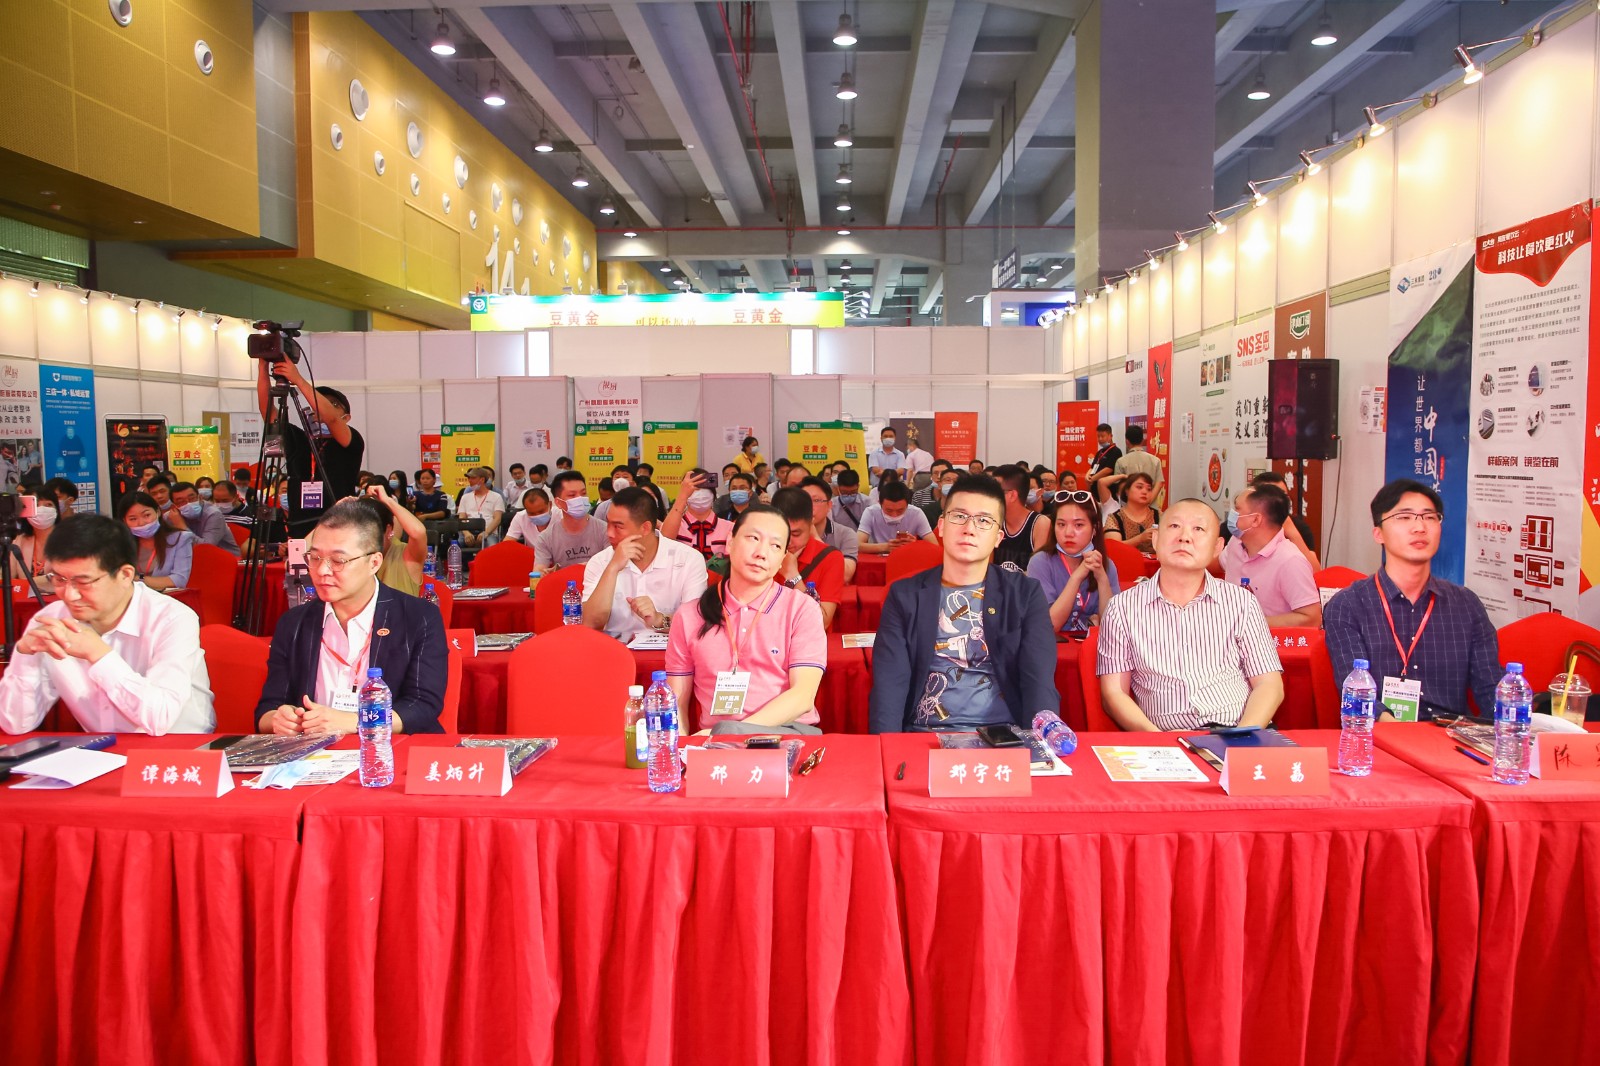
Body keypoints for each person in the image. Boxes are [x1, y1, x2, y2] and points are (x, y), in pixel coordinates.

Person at [869, 474, 1059, 732]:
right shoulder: (905, 595)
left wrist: (1040, 743)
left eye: (983, 520)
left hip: (1004, 736)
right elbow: (889, 684)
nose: (969, 528)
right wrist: (888, 748)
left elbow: (1039, 682)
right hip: (923, 736)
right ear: (941, 526)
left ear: (998, 537)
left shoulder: (1024, 594)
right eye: (959, 516)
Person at [0, 514, 215, 734]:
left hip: (180, 746)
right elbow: (14, 724)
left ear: (125, 575)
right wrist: (25, 658)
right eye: (59, 579)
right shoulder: (51, 620)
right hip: (100, 749)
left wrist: (99, 654)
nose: (70, 595)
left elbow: (160, 718)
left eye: (83, 582)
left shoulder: (172, 618)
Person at [256, 500, 446, 735]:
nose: (322, 571)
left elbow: (422, 706)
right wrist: (279, 719)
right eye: (314, 558)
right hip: (316, 752)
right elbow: (268, 708)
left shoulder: (418, 616)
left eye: (338, 561)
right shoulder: (294, 623)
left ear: (374, 562)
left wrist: (356, 722)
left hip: (390, 749)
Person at [1097, 498, 1284, 731]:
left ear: (1217, 547)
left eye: (1198, 529)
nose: (1185, 537)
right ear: (1155, 540)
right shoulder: (1122, 608)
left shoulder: (1241, 602)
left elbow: (1269, 684)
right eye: (1174, 526)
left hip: (1238, 730)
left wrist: (1243, 735)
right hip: (1163, 737)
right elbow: (1114, 694)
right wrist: (1158, 741)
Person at [1323, 479, 1499, 721]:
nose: (1419, 527)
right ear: (1378, 534)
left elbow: (1490, 687)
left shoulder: (1466, 605)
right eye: (1404, 517)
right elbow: (1355, 692)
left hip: (1449, 736)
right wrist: (1396, 730)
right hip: (1382, 735)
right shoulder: (1348, 605)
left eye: (1429, 517)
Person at [665, 505, 826, 735]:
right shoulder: (690, 615)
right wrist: (681, 748)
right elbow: (677, 702)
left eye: (775, 546)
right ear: (730, 542)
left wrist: (731, 732)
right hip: (716, 746)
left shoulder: (802, 609)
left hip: (785, 736)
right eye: (753, 538)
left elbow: (803, 697)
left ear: (782, 559)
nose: (762, 553)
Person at [582, 487, 708, 642]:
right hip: (615, 651)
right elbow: (590, 624)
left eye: (618, 527)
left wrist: (659, 619)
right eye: (608, 524)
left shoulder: (688, 559)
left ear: (645, 528)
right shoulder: (600, 561)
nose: (609, 533)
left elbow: (695, 622)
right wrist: (612, 568)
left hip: (669, 652)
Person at [256, 355, 364, 531]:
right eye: (319, 401)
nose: (322, 407)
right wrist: (262, 367)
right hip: (301, 525)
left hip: (339, 525)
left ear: (346, 418)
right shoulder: (300, 439)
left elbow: (332, 419)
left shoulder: (351, 441)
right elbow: (267, 411)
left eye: (334, 404)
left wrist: (298, 379)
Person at [1220, 484, 1322, 628]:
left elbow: (1311, 619)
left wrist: (1249, 624)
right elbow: (1215, 564)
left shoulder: (1290, 561)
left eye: (1237, 509)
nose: (1232, 514)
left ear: (1255, 520)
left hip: (1269, 640)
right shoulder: (1235, 544)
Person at [1027, 491, 1120, 636]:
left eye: (1078, 525)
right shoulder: (1040, 562)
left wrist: (1102, 579)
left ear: (1095, 528)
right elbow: (1049, 626)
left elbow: (1113, 628)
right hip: (1051, 648)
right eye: (1061, 524)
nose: (1068, 533)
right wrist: (1076, 577)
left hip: (1092, 647)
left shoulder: (1106, 566)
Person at [772, 486, 845, 630]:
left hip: (809, 639)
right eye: (782, 533)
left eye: (796, 534)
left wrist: (793, 576)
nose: (788, 542)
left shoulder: (831, 558)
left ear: (811, 523)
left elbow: (823, 622)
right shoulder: (761, 554)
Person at [117, 491, 196, 590]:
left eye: (146, 515)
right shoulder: (122, 544)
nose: (141, 523)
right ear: (124, 521)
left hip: (167, 597)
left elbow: (178, 580)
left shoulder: (181, 538)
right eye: (133, 519)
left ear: (158, 512)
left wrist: (138, 579)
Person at [535, 471, 610, 571]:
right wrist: (543, 573)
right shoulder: (546, 537)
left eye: (583, 493)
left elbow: (613, 566)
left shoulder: (606, 530)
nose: (580, 499)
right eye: (572, 495)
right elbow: (538, 572)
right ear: (558, 502)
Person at [362, 485, 428, 596]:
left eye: (371, 534)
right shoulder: (353, 556)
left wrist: (387, 500)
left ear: (388, 530)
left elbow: (418, 532)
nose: (365, 541)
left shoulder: (406, 555)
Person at [1250, 470, 1320, 566]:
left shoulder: (1299, 527)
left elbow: (1315, 570)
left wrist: (1292, 533)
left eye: (1283, 496)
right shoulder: (1243, 526)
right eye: (1272, 497)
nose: (1280, 501)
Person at [799, 475, 859, 585]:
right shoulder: (788, 534)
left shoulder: (846, 534)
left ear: (829, 505)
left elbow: (845, 576)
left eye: (816, 500)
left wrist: (815, 538)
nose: (809, 506)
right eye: (804, 501)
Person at [661, 469, 732, 560]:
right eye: (694, 488)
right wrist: (682, 496)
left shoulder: (729, 527)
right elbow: (665, 540)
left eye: (705, 488)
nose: (700, 492)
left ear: (713, 494)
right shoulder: (675, 525)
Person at [991, 465, 1049, 571]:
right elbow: (986, 568)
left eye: (995, 491)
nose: (989, 496)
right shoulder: (994, 522)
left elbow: (1038, 572)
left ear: (1012, 495)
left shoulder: (1040, 524)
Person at [858, 480, 937, 555]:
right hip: (878, 558)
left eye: (900, 510)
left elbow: (935, 546)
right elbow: (857, 545)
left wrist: (916, 545)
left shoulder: (916, 513)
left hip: (907, 557)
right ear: (879, 503)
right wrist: (885, 547)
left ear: (908, 504)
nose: (894, 515)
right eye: (889, 510)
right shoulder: (871, 512)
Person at [167, 481, 242, 557]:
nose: (188, 503)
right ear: (174, 506)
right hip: (190, 559)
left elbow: (205, 549)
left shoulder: (213, 514)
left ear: (200, 497)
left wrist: (181, 526)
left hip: (225, 558)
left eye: (192, 498)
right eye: (181, 501)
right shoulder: (170, 517)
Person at [1100, 424, 1161, 504]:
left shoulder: (1121, 461)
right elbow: (1159, 484)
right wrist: (1148, 501)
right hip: (1151, 507)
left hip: (1129, 506)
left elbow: (1120, 487)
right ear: (1142, 440)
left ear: (1127, 441)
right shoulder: (1156, 460)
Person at [11, 487, 62, 577]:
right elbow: (7, 574)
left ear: (56, 510)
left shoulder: (68, 540)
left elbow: (62, 577)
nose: (42, 509)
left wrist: (27, 583)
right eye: (36, 505)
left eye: (48, 504)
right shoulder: (19, 541)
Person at [1105, 472, 1159, 555]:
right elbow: (1112, 547)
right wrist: (1139, 539)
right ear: (1126, 491)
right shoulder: (1114, 518)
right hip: (1125, 562)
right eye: (1139, 487)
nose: (1145, 492)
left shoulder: (1159, 515)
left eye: (1149, 489)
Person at [455, 466, 505, 548]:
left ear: (482, 479)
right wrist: (466, 533)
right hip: (468, 532)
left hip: (489, 532)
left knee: (492, 547)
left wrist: (486, 532)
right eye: (469, 478)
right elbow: (462, 518)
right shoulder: (465, 497)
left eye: (473, 478)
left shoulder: (496, 496)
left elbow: (497, 519)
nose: (470, 480)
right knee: (456, 547)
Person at [1085, 423, 1123, 500]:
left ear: (1110, 436)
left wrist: (1093, 478)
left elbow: (1108, 469)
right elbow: (1092, 467)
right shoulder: (1099, 452)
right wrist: (1087, 476)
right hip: (1095, 490)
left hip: (1108, 491)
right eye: (1098, 436)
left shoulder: (1116, 451)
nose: (1100, 439)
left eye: (1102, 436)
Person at [921, 464, 960, 528]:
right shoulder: (926, 512)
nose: (952, 484)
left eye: (956, 481)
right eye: (948, 480)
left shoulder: (964, 511)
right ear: (939, 485)